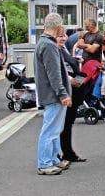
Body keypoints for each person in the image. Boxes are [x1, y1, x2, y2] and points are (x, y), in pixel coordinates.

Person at [35, 13, 73, 175]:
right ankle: (44, 163)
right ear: (58, 28)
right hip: (53, 95)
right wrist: (63, 94)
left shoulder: (43, 43)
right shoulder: (49, 46)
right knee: (50, 130)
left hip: (51, 94)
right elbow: (54, 74)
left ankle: (53, 159)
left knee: (55, 130)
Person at [57, 31, 86, 163]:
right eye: (60, 36)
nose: (63, 38)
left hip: (72, 89)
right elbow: (56, 71)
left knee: (68, 123)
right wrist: (70, 80)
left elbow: (66, 66)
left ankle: (68, 152)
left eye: (64, 35)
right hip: (65, 91)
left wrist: (76, 61)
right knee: (64, 124)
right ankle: (63, 153)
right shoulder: (55, 50)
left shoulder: (63, 49)